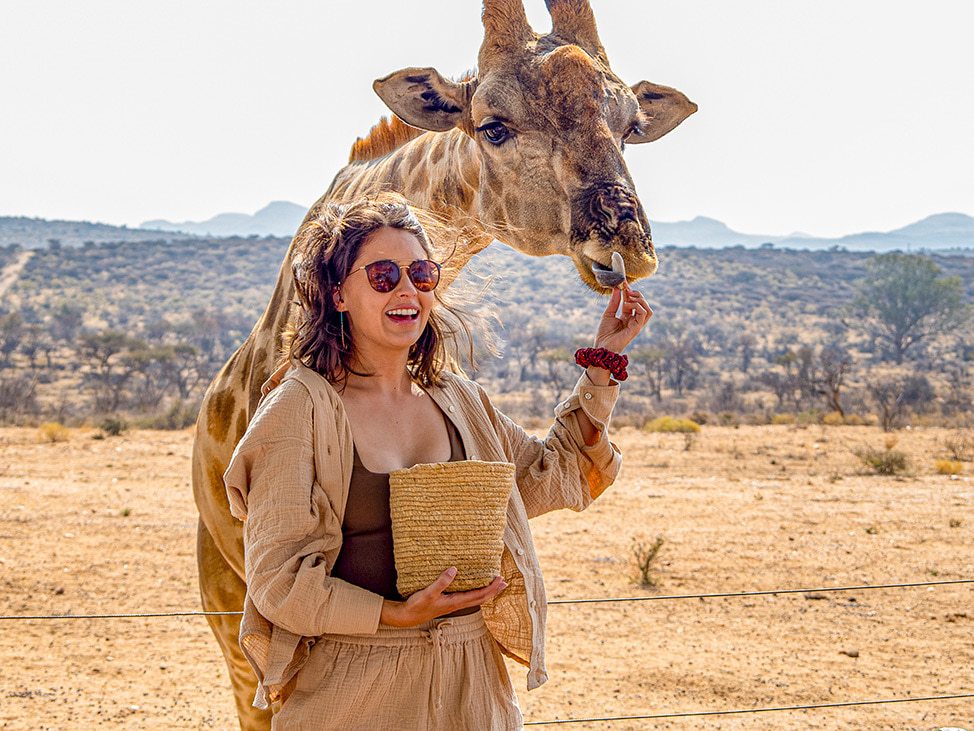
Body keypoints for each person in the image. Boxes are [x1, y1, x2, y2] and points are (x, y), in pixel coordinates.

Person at [223, 193, 652, 730]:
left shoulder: (460, 400)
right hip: (354, 689)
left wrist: (602, 364)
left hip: (473, 687)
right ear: (337, 293)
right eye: (383, 276)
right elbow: (279, 583)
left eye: (422, 275)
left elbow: (559, 475)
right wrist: (393, 616)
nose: (408, 291)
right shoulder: (299, 410)